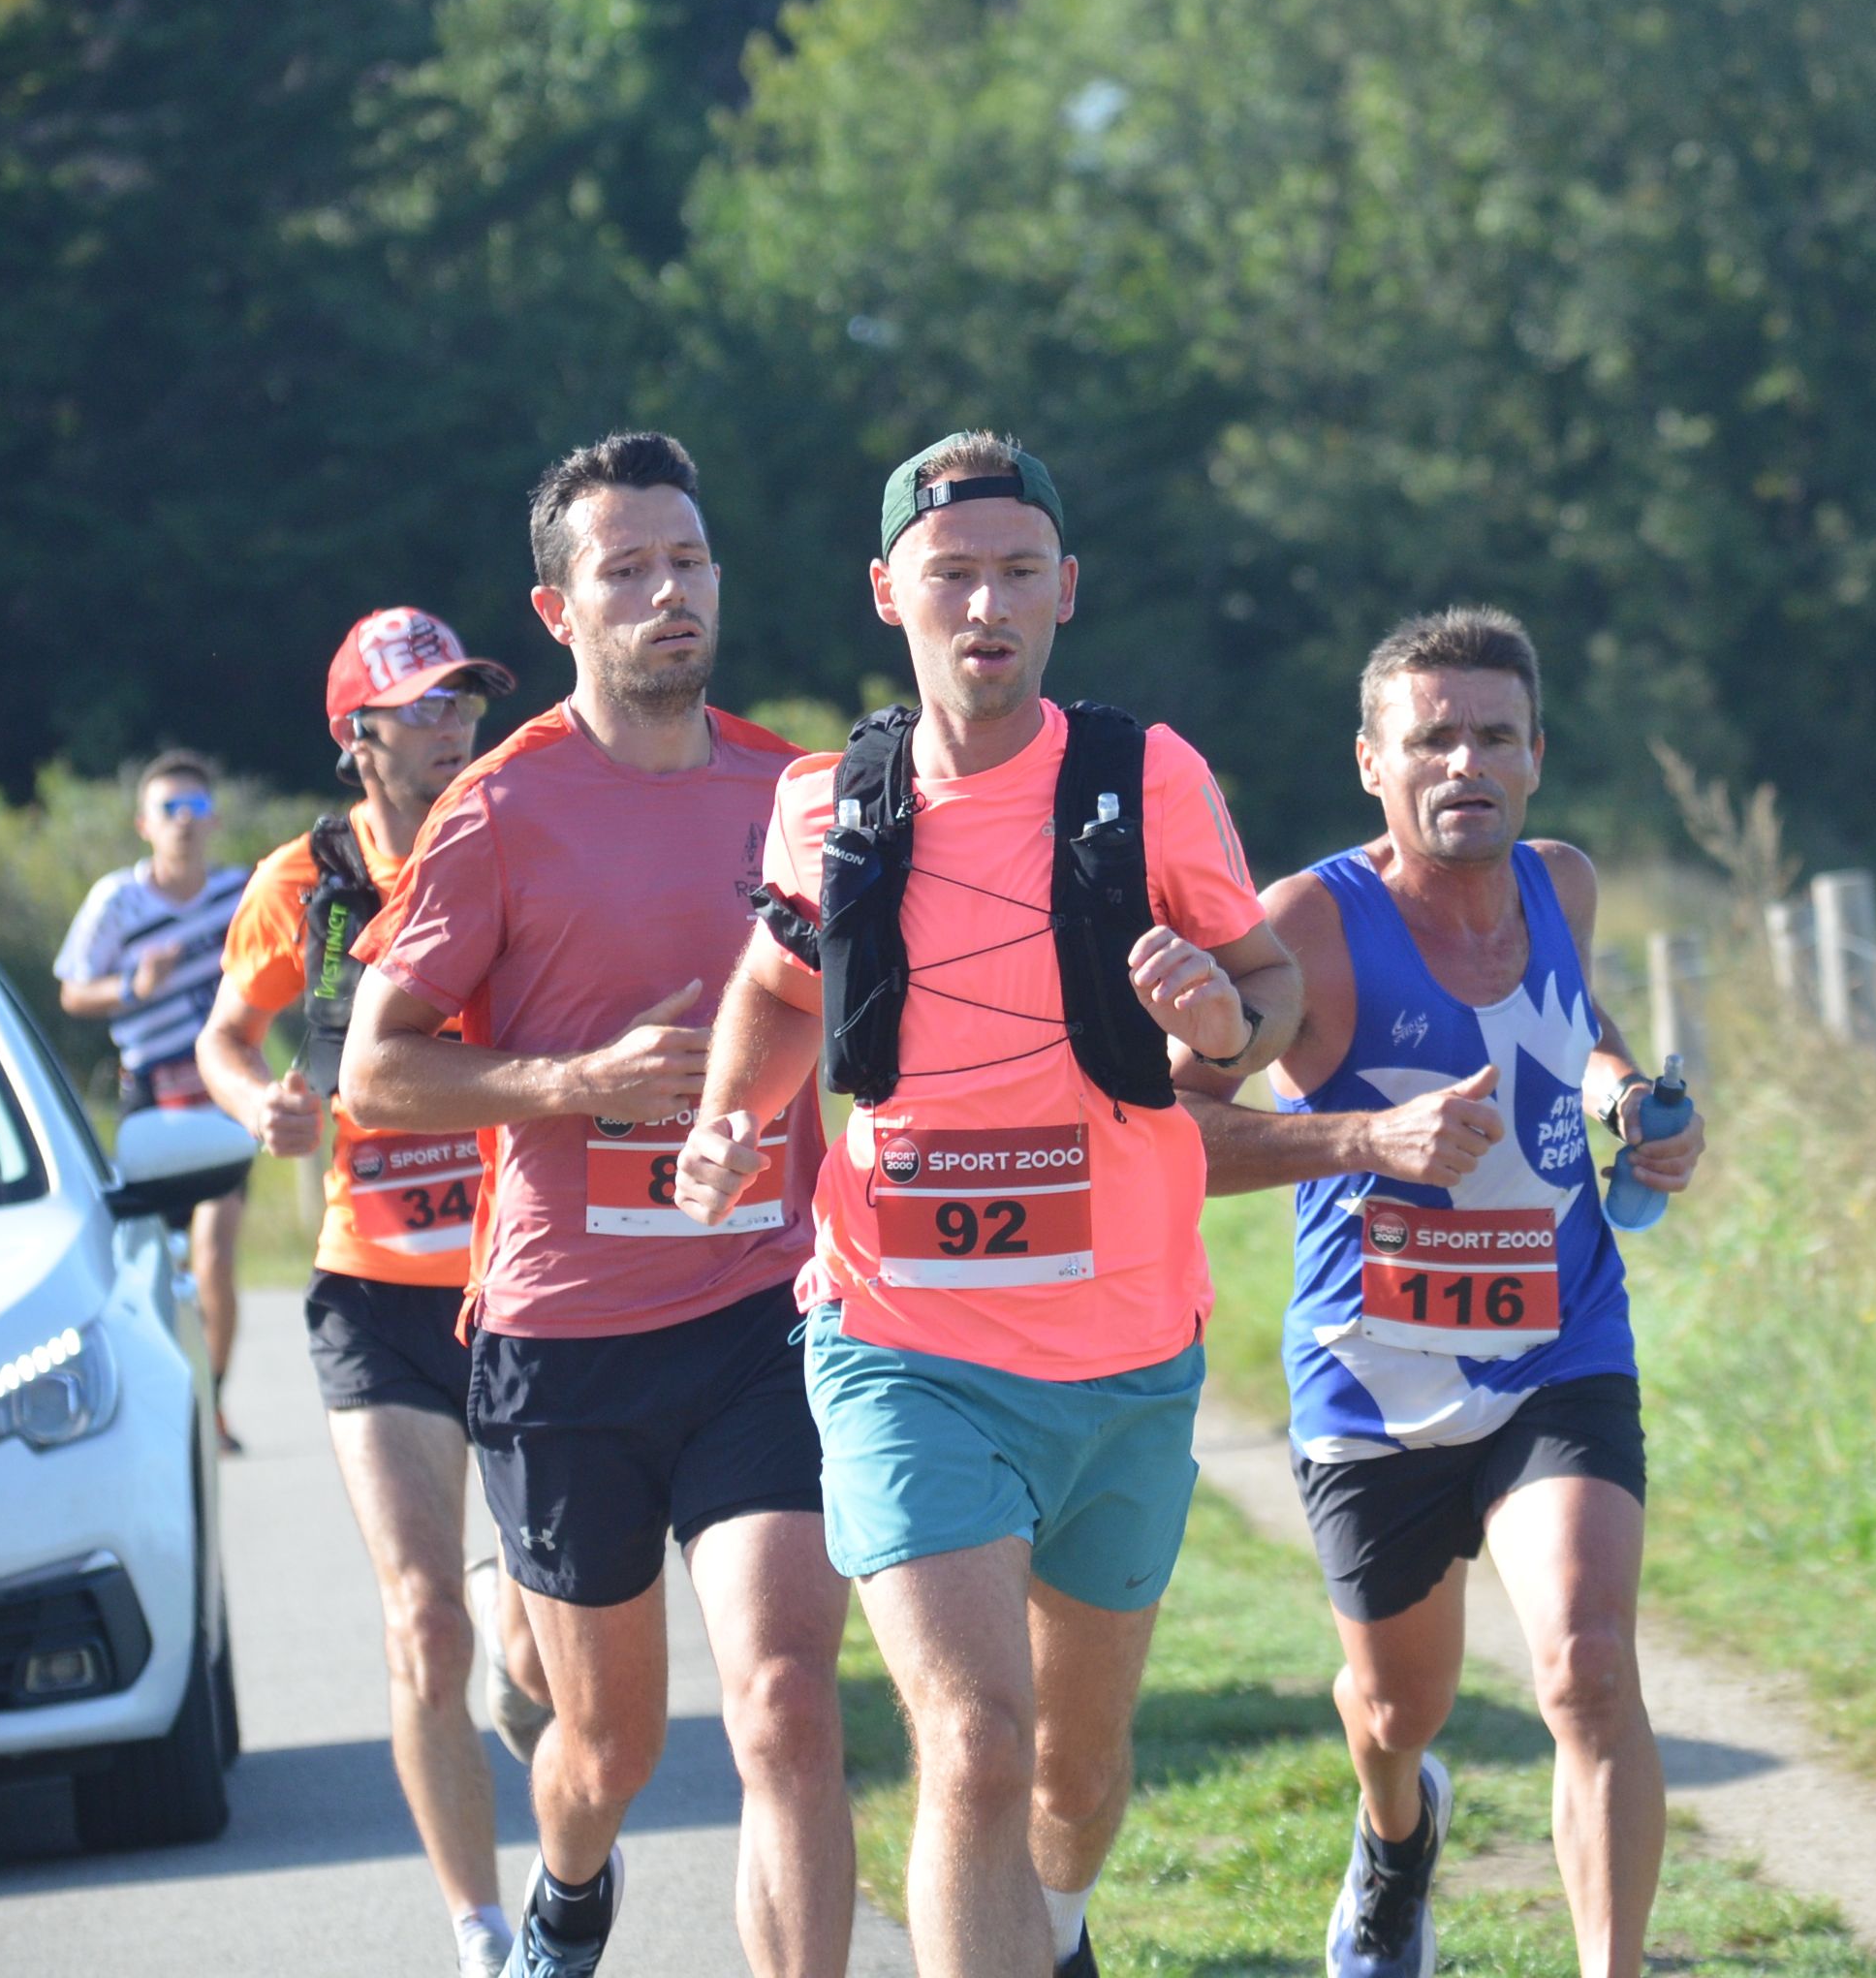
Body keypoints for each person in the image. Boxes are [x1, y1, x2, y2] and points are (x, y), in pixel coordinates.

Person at [673, 432, 1302, 1978]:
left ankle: (1057, 1930)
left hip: (1127, 1357)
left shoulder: (1150, 780)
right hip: (905, 1348)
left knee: (1075, 1784)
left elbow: (1269, 987)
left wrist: (1222, 1019)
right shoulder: (827, 804)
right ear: (888, 592)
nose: (986, 604)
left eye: (1019, 572)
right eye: (951, 574)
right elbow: (776, 988)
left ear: (1065, 591)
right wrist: (725, 1122)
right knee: (972, 1742)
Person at [340, 434, 852, 1978]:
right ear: (559, 612)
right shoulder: (498, 808)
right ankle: (567, 1890)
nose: (668, 592)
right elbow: (377, 1073)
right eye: (626, 569)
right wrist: (581, 1083)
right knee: (610, 1749)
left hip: (765, 1312)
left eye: (687, 560)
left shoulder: (797, 792)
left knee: (785, 1707)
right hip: (566, 1342)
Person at [1177, 606, 1706, 1978]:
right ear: (1372, 762)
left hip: (1558, 1346)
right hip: (1374, 1374)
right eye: (1431, 740)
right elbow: (1176, 1137)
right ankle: (1396, 1834)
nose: (1464, 762)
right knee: (1395, 1712)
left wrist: (1628, 1100)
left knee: (1587, 1666)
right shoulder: (1307, 923)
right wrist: (1368, 1137)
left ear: (1536, 754)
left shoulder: (1561, 884)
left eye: (1492, 735)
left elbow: (1576, 1024)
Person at [195, 604, 550, 1978]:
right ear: (359, 735)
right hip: (374, 1294)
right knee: (421, 1619)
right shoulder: (307, 880)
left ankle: (544, 1735)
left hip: (524, 1283)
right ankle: (479, 1930)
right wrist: (260, 1108)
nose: (453, 725)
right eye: (424, 707)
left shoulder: (517, 835)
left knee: (537, 1644)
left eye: (464, 700)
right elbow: (229, 1036)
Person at [57, 749, 253, 1449]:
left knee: (214, 1252)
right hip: (151, 1090)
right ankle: (160, 1400)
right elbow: (72, 991)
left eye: (196, 808)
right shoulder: (117, 901)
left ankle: (212, 1404)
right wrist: (133, 985)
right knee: (153, 1263)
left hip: (223, 1086)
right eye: (169, 810)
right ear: (145, 825)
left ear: (215, 820)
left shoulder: (240, 892)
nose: (184, 823)